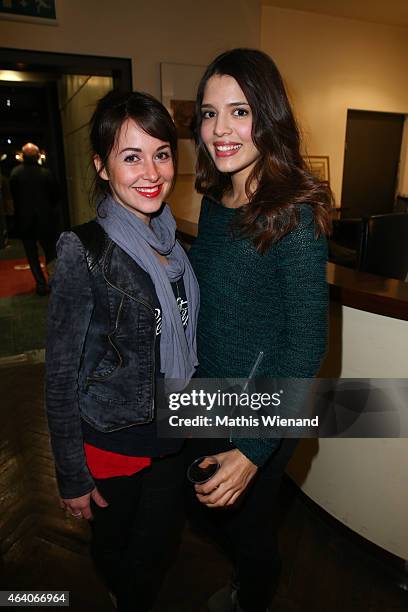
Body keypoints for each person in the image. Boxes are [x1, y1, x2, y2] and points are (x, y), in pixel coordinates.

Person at [186, 48, 333, 612]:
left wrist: (252, 449)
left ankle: (253, 596)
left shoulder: (291, 214)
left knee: (250, 534)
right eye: (208, 113)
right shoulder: (215, 199)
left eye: (239, 111)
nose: (220, 130)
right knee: (202, 504)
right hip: (210, 392)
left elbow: (305, 344)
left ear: (267, 118)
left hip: (262, 407)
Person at [45, 90, 199, 612]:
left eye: (161, 153)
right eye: (130, 156)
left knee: (156, 550)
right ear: (102, 166)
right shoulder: (83, 249)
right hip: (114, 441)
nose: (151, 171)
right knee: (118, 554)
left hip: (171, 433)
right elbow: (60, 376)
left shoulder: (174, 244)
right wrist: (71, 475)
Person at [9, 142, 59, 295]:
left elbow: (14, 196)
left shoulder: (15, 173)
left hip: (25, 220)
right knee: (50, 252)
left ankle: (40, 284)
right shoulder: (46, 173)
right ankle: (54, 282)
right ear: (37, 156)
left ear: (23, 156)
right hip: (45, 219)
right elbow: (55, 196)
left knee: (32, 254)